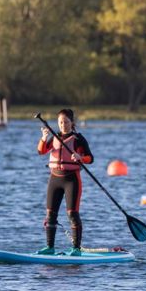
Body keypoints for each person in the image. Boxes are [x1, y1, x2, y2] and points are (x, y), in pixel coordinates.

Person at [37, 108, 93, 255]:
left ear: (72, 122)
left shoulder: (78, 139)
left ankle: (76, 249)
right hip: (55, 179)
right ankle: (50, 248)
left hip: (71, 180)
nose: (63, 125)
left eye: (66, 122)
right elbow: (41, 151)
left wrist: (80, 158)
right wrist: (43, 138)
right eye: (60, 122)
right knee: (50, 214)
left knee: (72, 214)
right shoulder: (54, 137)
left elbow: (90, 158)